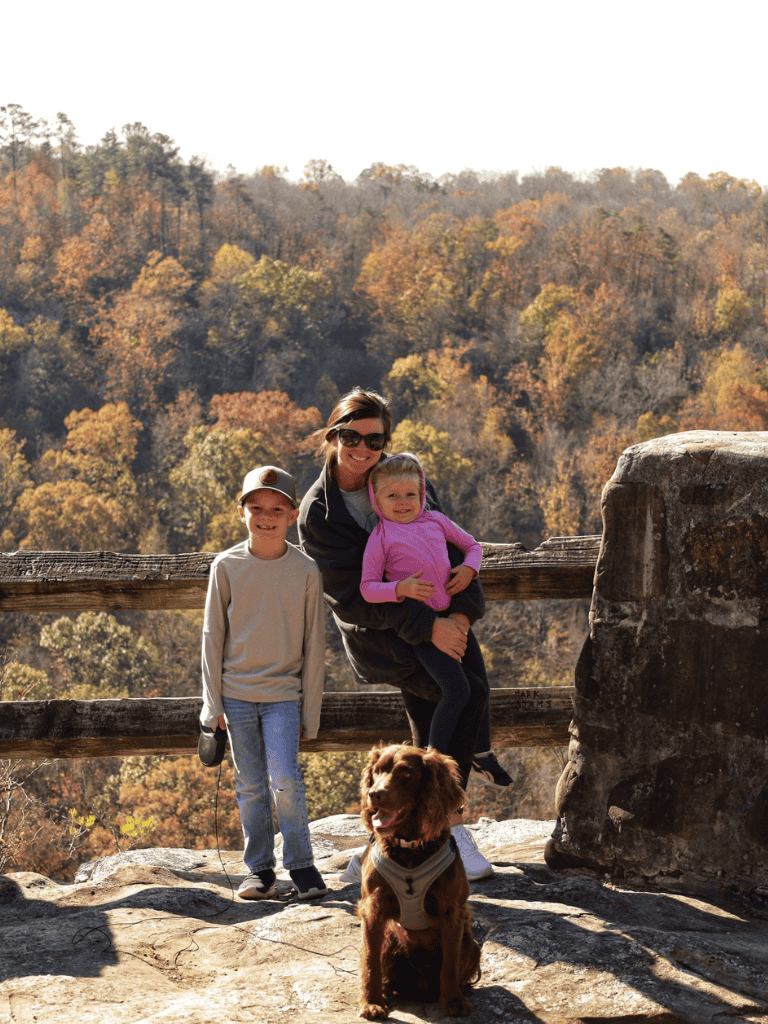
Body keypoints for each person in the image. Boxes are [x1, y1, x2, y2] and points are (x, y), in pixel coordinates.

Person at [298, 388, 506, 881]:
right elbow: (350, 597)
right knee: (451, 698)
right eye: (351, 436)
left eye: (376, 438)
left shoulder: (406, 475)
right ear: (334, 436)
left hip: (443, 619)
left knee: (450, 704)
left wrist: (460, 615)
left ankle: (400, 841)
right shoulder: (319, 513)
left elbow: (449, 545)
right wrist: (428, 627)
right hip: (387, 636)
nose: (364, 449)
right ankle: (442, 828)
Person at [200, 465, 328, 901]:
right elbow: (212, 636)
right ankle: (259, 870)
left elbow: (315, 644)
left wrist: (309, 711)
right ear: (242, 512)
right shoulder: (227, 565)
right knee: (249, 784)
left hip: (282, 698)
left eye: (277, 508)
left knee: (284, 779)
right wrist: (210, 703)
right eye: (256, 508)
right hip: (235, 697)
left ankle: (303, 866)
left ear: (292, 515)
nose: (266, 516)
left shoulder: (306, 571)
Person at [361, 452, 490, 761]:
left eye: (411, 494)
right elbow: (367, 588)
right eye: (392, 495)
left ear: (421, 495)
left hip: (454, 618)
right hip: (424, 628)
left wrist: (470, 568)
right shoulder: (380, 538)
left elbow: (472, 546)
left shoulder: (436, 520)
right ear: (376, 500)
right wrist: (399, 589)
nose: (403, 501)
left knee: (481, 687)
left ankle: (482, 752)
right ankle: (433, 758)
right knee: (457, 690)